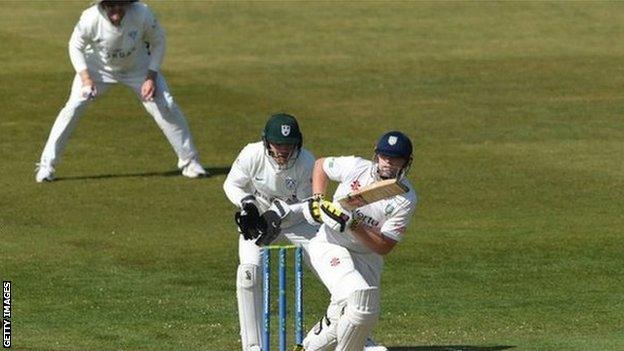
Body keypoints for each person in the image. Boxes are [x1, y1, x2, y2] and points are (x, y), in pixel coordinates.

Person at [35, 0, 206, 182]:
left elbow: (158, 41)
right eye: (111, 4)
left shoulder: (142, 13)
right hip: (97, 70)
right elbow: (75, 46)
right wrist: (86, 79)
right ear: (103, 6)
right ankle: (46, 166)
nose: (116, 9)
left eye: (120, 4)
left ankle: (190, 162)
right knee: (73, 108)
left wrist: (151, 76)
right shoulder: (90, 17)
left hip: (138, 69)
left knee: (167, 106)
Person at [300, 131, 418, 351]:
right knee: (359, 303)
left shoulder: (406, 198)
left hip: (368, 257)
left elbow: (383, 246)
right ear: (376, 154)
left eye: (395, 158)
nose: (388, 162)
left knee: (349, 316)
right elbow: (321, 165)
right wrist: (317, 199)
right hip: (330, 245)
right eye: (384, 156)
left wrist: (353, 225)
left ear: (407, 162)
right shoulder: (356, 167)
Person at [223, 113, 319, 351]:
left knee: (332, 265)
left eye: (288, 144)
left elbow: (309, 205)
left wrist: (280, 212)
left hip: (298, 223)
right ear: (266, 141)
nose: (283, 150)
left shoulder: (307, 162)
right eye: (278, 144)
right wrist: (247, 203)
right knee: (248, 274)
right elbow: (231, 183)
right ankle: (253, 346)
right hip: (260, 224)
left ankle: (353, 333)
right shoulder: (252, 154)